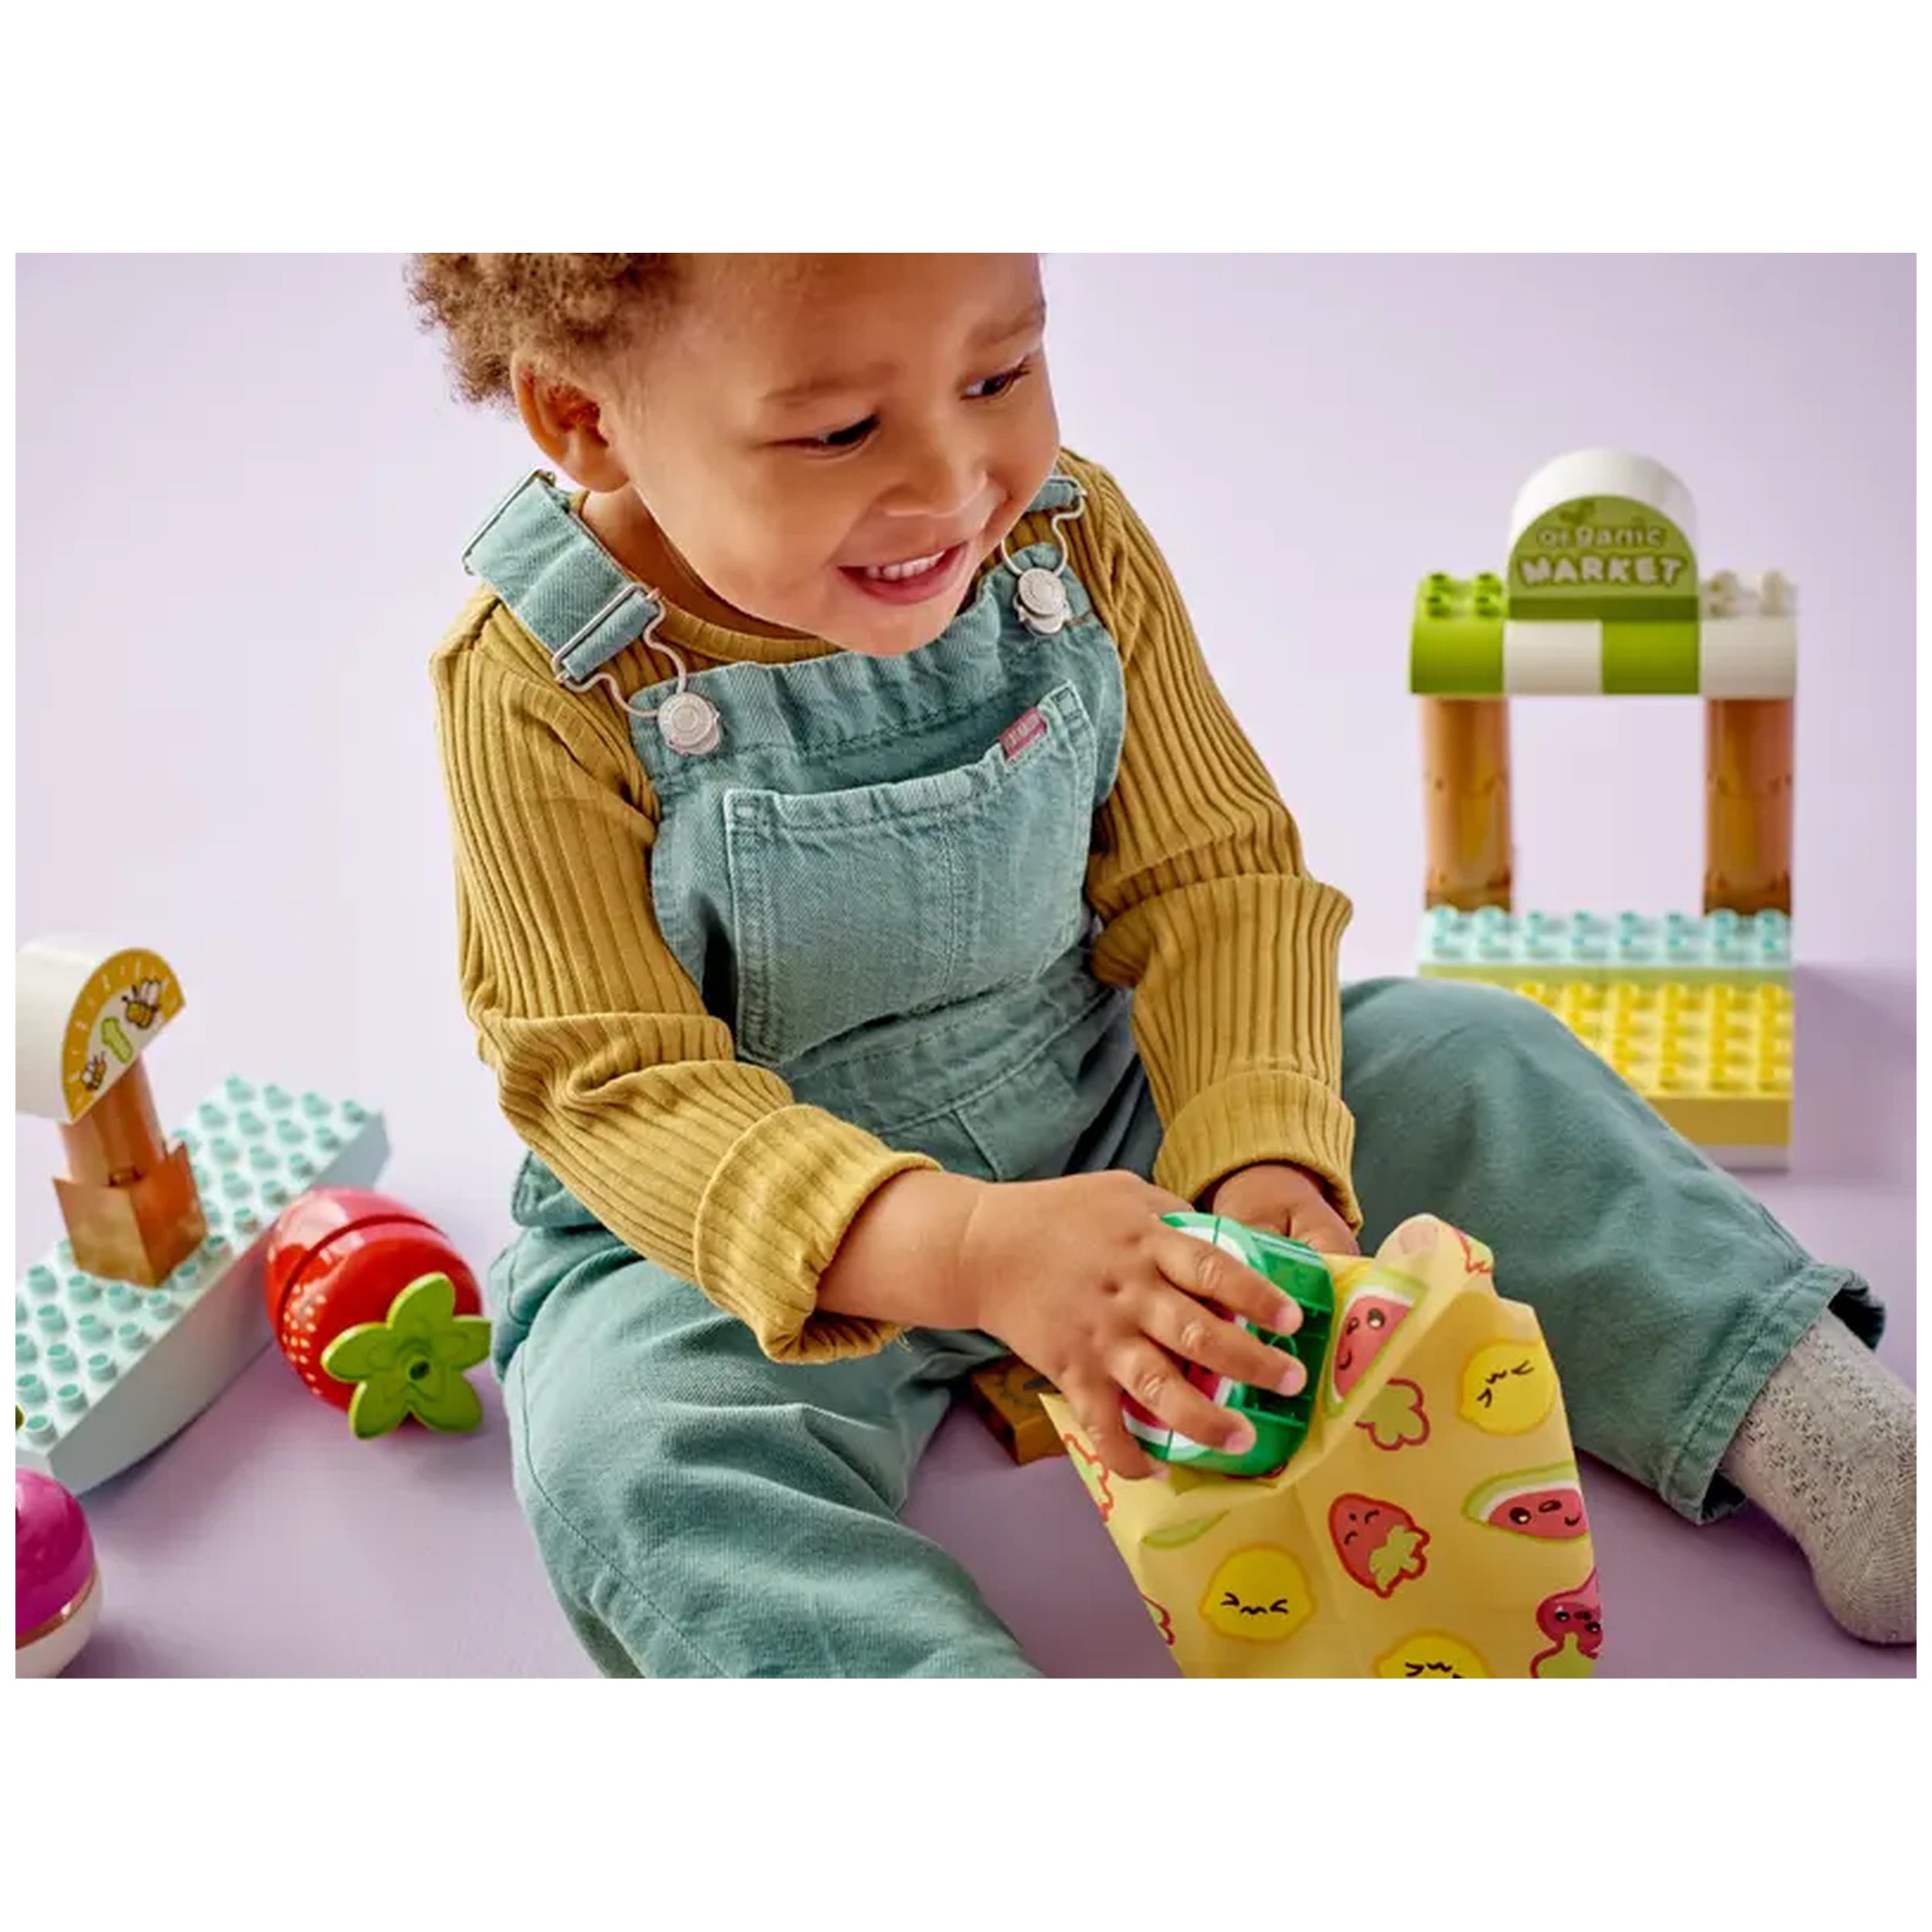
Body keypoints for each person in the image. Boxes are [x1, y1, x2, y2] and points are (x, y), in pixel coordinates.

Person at [413, 252, 1913, 1675]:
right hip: (735, 1234)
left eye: (999, 371)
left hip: (1105, 1088)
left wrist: (1260, 1152)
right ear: (584, 416)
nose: (950, 480)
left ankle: (1818, 1425)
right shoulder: (540, 679)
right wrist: (966, 1247)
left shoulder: (1061, 547)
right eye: (841, 428)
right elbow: (611, 1082)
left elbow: (1210, 879)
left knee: (1471, 1055)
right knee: (627, 1449)